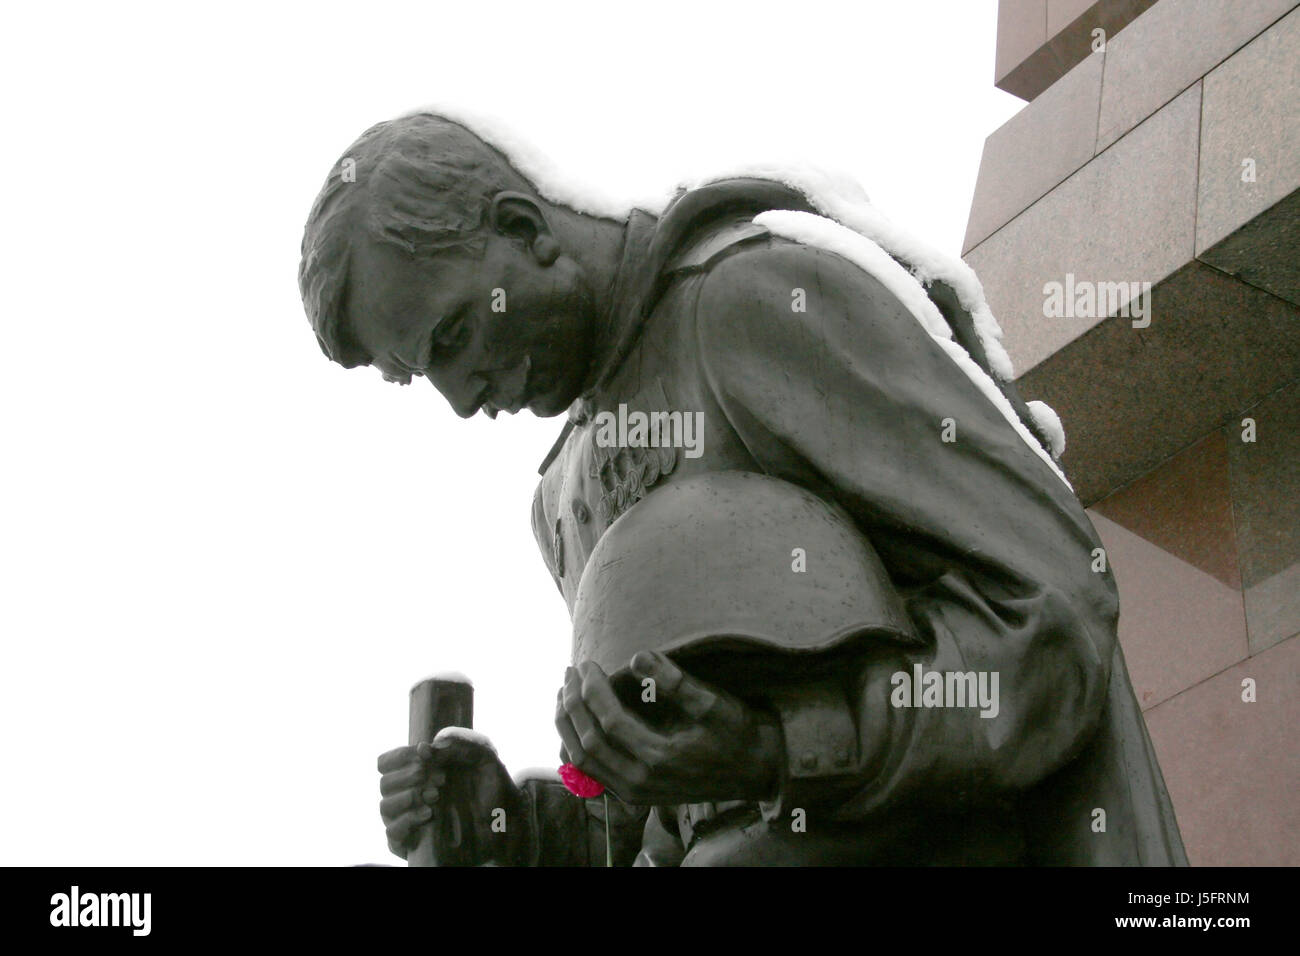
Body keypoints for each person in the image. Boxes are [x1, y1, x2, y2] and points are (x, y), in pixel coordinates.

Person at [299, 111, 1186, 865]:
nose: (460, 402)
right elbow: (668, 821)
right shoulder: (562, 501)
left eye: (454, 334)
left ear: (523, 226)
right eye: (418, 375)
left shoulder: (756, 298)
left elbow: (1053, 610)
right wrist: (518, 830)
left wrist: (781, 750)